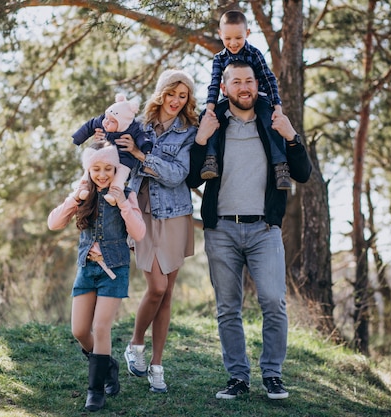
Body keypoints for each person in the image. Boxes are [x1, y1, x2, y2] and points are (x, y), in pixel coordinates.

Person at [186, 61, 312, 401]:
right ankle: (238, 378)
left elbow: (303, 173)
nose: (244, 87)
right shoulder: (212, 122)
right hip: (221, 230)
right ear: (223, 88)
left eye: (249, 81)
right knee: (228, 307)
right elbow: (192, 178)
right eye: (236, 82)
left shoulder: (273, 121)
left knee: (273, 300)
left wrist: (292, 136)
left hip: (264, 229)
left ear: (258, 85)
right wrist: (200, 140)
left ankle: (272, 375)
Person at [114, 69, 198, 394]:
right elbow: (118, 157)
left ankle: (157, 366)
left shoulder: (188, 131)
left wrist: (141, 155)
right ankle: (136, 344)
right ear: (161, 93)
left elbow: (178, 175)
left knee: (168, 294)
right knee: (157, 287)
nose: (176, 101)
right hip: (141, 214)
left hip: (176, 214)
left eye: (183, 96)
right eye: (172, 94)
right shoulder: (139, 126)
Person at [47, 141, 146, 412]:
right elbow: (53, 223)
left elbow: (139, 233)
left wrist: (124, 203)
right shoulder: (83, 194)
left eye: (107, 168)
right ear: (88, 170)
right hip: (87, 269)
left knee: (101, 328)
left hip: (114, 271)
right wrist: (74, 199)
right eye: (96, 169)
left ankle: (95, 390)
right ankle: (109, 365)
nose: (102, 174)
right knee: (79, 330)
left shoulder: (126, 193)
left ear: (116, 168)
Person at [201, 10, 291, 191]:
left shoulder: (255, 53)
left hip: (258, 97)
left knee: (271, 121)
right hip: (230, 99)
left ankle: (280, 165)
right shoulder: (219, 59)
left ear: (247, 34)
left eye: (238, 38)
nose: (233, 43)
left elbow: (269, 79)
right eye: (228, 39)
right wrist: (209, 109)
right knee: (209, 117)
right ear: (220, 35)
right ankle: (210, 159)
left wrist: (277, 106)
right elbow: (214, 84)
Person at [72, 93, 152, 206]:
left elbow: (141, 136)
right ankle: (84, 187)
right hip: (106, 154)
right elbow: (89, 126)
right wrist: (78, 138)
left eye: (112, 121)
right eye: (106, 118)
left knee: (122, 172)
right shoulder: (103, 121)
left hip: (124, 157)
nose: (106, 122)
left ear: (122, 124)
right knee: (92, 162)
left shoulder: (132, 127)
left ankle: (114, 194)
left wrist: (145, 146)